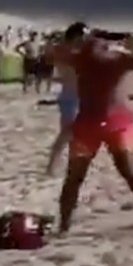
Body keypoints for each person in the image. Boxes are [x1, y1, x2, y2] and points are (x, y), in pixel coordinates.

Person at [57, 29, 133, 234]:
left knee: (128, 172)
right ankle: (63, 226)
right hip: (96, 122)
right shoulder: (94, 57)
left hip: (111, 122)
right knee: (78, 176)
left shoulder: (110, 58)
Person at [45, 23, 86, 175]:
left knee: (74, 133)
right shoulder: (65, 51)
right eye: (83, 35)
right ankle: (51, 166)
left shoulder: (72, 50)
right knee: (66, 133)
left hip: (77, 95)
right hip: (69, 95)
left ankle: (66, 164)